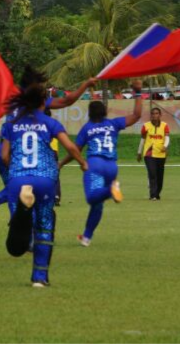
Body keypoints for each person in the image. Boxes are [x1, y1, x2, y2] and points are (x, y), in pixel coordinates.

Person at [0, 67, 97, 224]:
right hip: (19, 154)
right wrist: (86, 84)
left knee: (17, 188)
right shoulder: (33, 99)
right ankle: (18, 225)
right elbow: (67, 101)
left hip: (2, 152)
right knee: (22, 190)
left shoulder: (12, 97)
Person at [1, 78, 87, 287]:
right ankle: (39, 277)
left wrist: (17, 170)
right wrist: (83, 163)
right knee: (46, 226)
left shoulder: (11, 124)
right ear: (43, 102)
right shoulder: (50, 122)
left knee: (22, 224)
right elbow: (71, 147)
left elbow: (4, 156)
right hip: (44, 180)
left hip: (17, 180)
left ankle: (22, 216)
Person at [61, 80, 143, 247]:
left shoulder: (87, 128)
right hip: (111, 167)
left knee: (92, 198)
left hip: (95, 166)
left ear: (89, 114)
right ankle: (86, 237)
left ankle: (110, 191)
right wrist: (138, 93)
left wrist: (61, 163)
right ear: (105, 112)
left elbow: (74, 150)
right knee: (97, 206)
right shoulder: (113, 124)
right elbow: (136, 115)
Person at [137, 107, 170, 200]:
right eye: (153, 114)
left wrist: (165, 146)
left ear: (160, 115)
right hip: (149, 154)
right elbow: (142, 139)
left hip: (161, 153)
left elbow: (167, 137)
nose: (155, 115)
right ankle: (153, 195)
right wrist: (139, 152)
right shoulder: (146, 126)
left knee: (160, 176)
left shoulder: (165, 125)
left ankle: (157, 193)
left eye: (156, 113)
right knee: (152, 173)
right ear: (151, 115)